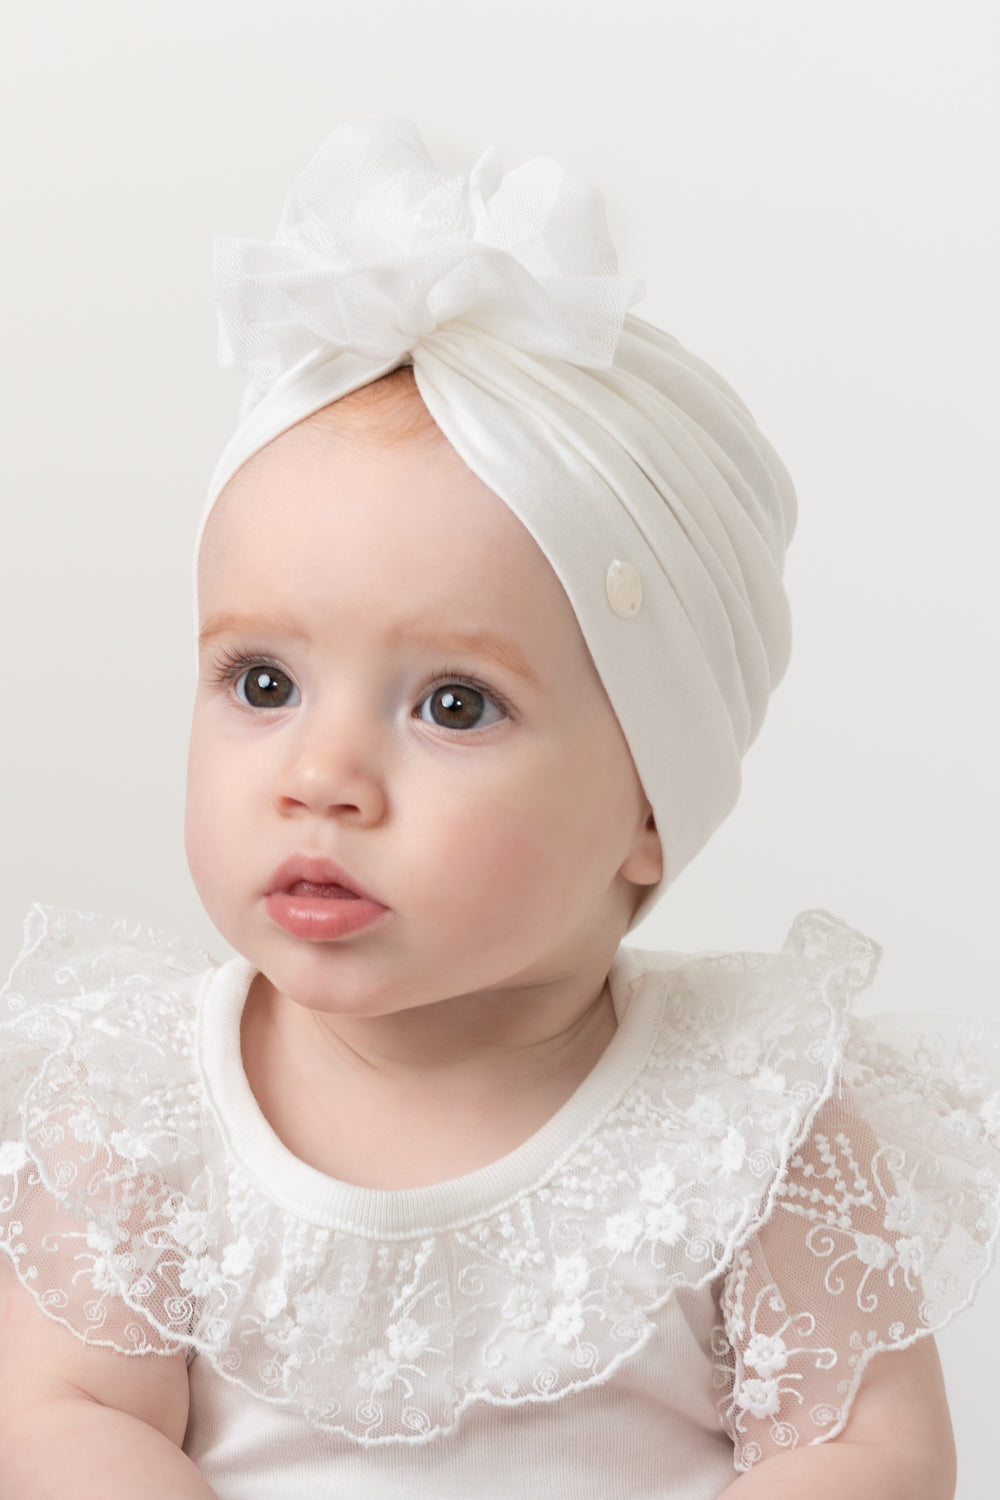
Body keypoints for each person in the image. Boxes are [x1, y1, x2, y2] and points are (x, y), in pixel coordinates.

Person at [0, 119, 995, 1500]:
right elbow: (62, 1422)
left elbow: (859, 1453)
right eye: (264, 678)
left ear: (653, 802)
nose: (320, 775)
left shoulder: (754, 1122)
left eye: (453, 705)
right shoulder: (137, 1112)